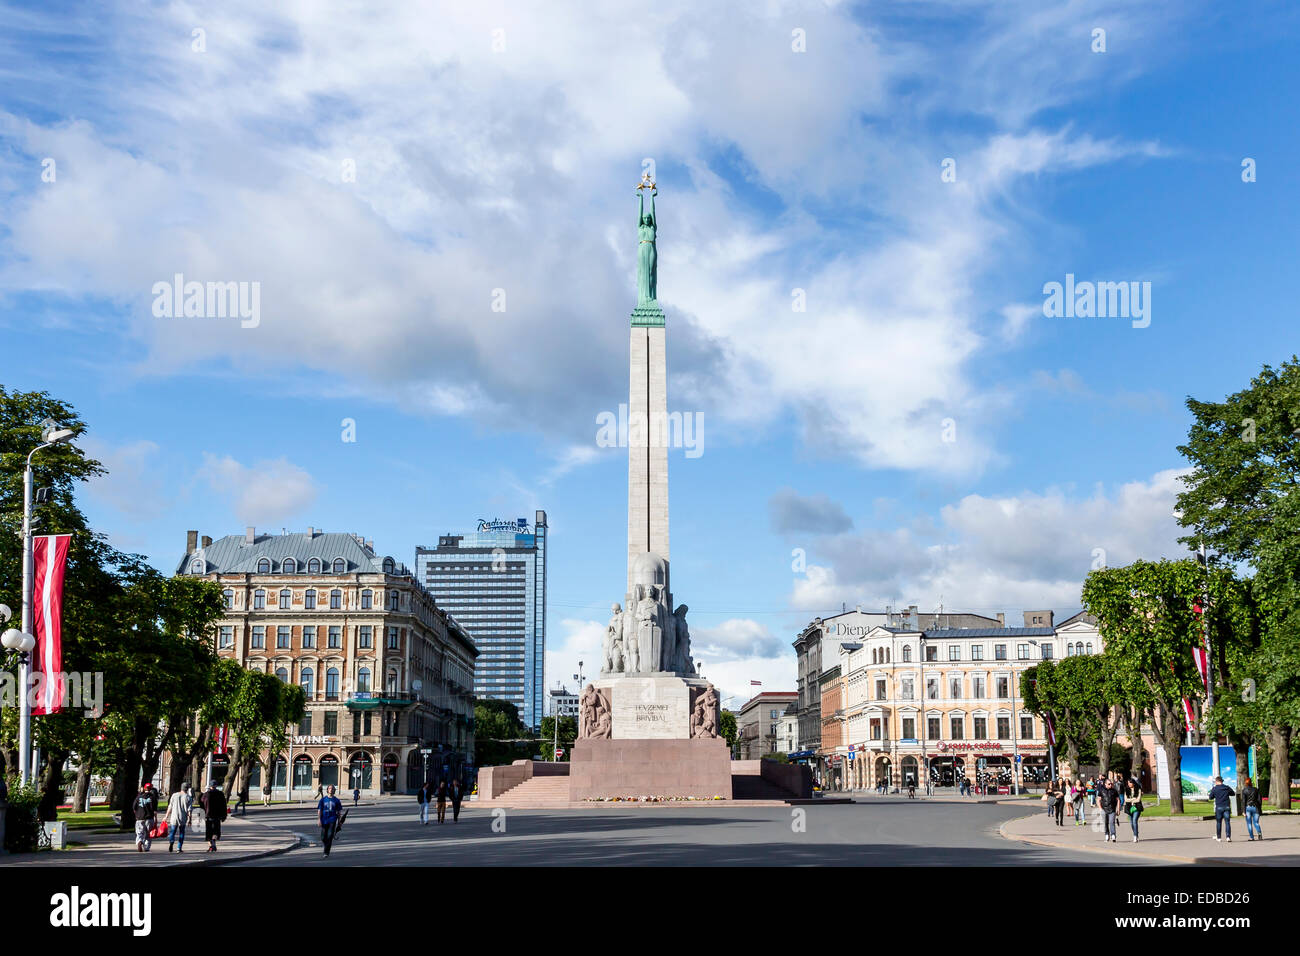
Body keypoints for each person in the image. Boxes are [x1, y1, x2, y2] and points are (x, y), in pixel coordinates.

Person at [200, 780, 228, 852]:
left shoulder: (206, 795)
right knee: (216, 831)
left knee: (209, 832)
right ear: (216, 786)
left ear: (210, 786)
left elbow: (202, 806)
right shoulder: (220, 794)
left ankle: (211, 845)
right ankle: (213, 841)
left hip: (208, 816)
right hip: (217, 816)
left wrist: (201, 816)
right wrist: (224, 815)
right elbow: (224, 806)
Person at [165, 782, 193, 853]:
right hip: (182, 817)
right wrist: (190, 820)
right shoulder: (188, 797)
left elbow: (170, 806)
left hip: (174, 816)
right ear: (187, 789)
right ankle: (179, 848)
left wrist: (166, 816)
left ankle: (171, 841)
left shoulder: (174, 795)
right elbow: (189, 810)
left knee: (172, 831)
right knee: (181, 833)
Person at [1208, 775, 1235, 842]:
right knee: (1227, 822)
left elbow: (1210, 797)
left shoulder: (1214, 788)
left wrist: (1214, 794)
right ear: (1222, 781)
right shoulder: (1227, 787)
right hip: (1227, 807)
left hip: (1219, 807)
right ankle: (1228, 837)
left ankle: (1219, 837)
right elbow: (1233, 793)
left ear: (1217, 781)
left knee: (1219, 822)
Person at [318, 783, 343, 856]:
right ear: (327, 790)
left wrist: (339, 821)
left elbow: (338, 812)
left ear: (334, 790)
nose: (331, 789)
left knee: (330, 836)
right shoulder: (323, 800)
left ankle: (326, 852)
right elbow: (319, 810)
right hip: (324, 819)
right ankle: (326, 846)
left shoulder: (336, 800)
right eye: (329, 788)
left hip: (332, 819)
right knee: (323, 837)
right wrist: (319, 819)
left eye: (332, 788)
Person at [132, 784, 157, 852]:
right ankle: (146, 847)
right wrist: (156, 819)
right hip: (149, 818)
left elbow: (134, 808)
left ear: (144, 788)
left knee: (140, 832)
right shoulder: (153, 798)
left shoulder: (138, 797)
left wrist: (137, 815)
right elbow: (154, 810)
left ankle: (140, 841)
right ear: (151, 789)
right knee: (148, 833)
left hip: (140, 818)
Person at [1097, 777, 1120, 842]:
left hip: (1112, 809)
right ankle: (1107, 834)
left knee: (1111, 822)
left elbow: (1118, 800)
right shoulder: (1101, 791)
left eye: (1111, 784)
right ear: (1105, 784)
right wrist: (1100, 808)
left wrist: (1118, 809)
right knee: (1105, 823)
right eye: (1109, 784)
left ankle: (1113, 835)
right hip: (1104, 809)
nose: (1111, 785)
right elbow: (1098, 800)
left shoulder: (1114, 791)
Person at [1241, 776, 1263, 841]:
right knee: (1256, 823)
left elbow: (1243, 801)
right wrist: (1259, 807)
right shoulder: (1256, 789)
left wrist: (1243, 811)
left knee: (1249, 823)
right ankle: (1259, 834)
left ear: (1246, 783)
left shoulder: (1244, 790)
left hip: (1248, 808)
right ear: (1251, 783)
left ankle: (1252, 837)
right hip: (1256, 807)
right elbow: (1259, 800)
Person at [1125, 777, 1144, 842]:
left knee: (1134, 820)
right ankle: (1135, 833)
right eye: (1128, 783)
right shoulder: (1126, 789)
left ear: (1133, 783)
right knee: (1131, 823)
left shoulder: (1138, 789)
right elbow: (1126, 799)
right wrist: (1132, 799)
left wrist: (1132, 801)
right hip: (1129, 808)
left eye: (1130, 782)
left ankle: (1135, 836)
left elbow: (1138, 799)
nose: (1129, 784)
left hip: (1137, 807)